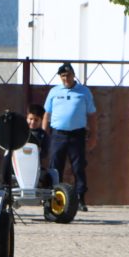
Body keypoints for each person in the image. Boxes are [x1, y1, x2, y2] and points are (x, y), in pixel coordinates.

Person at [42, 63, 97, 212]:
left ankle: (80, 199)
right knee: (54, 168)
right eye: (63, 76)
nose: (66, 78)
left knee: (78, 167)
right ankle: (53, 199)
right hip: (58, 134)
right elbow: (47, 114)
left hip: (77, 135)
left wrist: (93, 135)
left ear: (73, 75)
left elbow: (91, 114)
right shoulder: (54, 92)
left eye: (68, 75)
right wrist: (43, 134)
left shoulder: (84, 92)